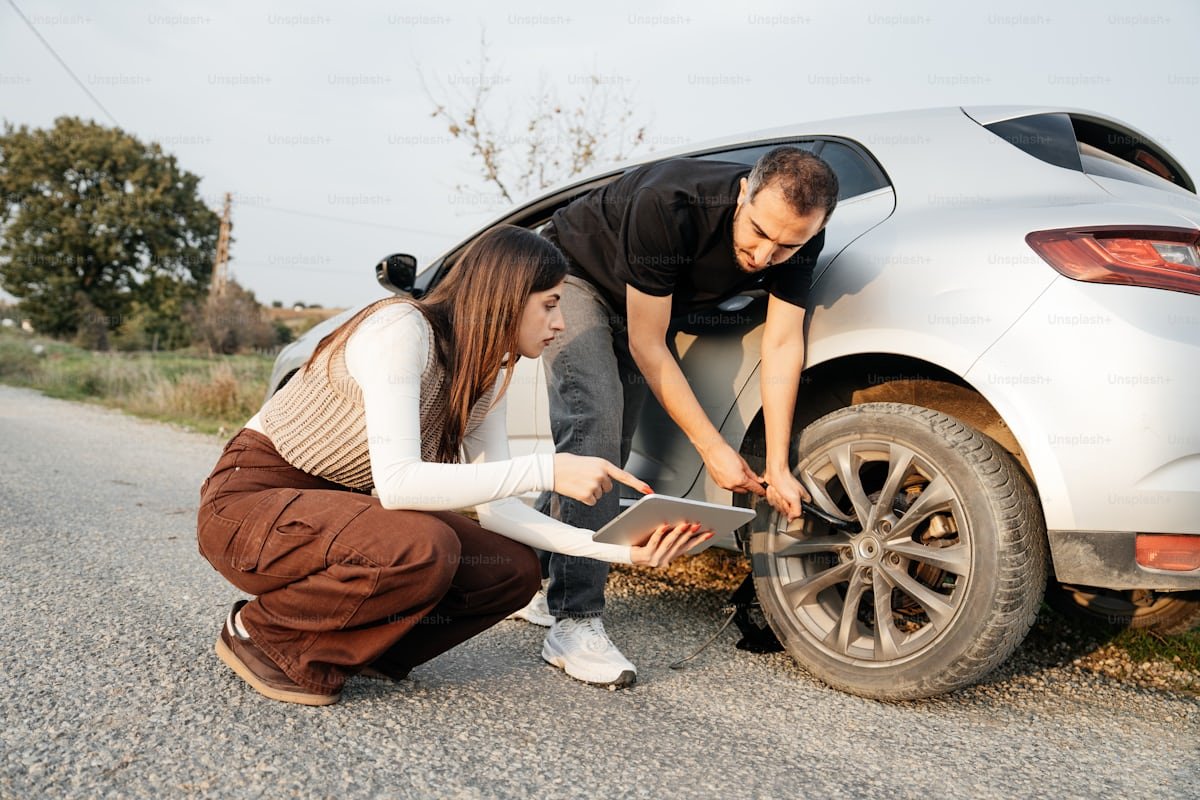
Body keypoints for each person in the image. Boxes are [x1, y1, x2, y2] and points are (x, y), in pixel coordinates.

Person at [196, 225, 712, 706]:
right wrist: (550, 470)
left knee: (512, 570)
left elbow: (498, 508)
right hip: (251, 507)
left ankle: (361, 648)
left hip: (345, 514)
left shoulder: (487, 372)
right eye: (550, 305)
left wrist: (615, 550)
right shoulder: (402, 330)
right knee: (422, 547)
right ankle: (268, 635)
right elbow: (398, 484)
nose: (560, 323)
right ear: (506, 295)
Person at [515, 147, 839, 688]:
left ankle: (527, 572)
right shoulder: (667, 202)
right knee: (595, 428)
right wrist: (715, 450)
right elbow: (648, 343)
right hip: (576, 279)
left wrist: (778, 465)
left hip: (646, 304)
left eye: (788, 245)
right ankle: (573, 619)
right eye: (758, 232)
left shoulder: (800, 237)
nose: (764, 256)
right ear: (742, 194)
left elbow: (783, 346)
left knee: (609, 451)